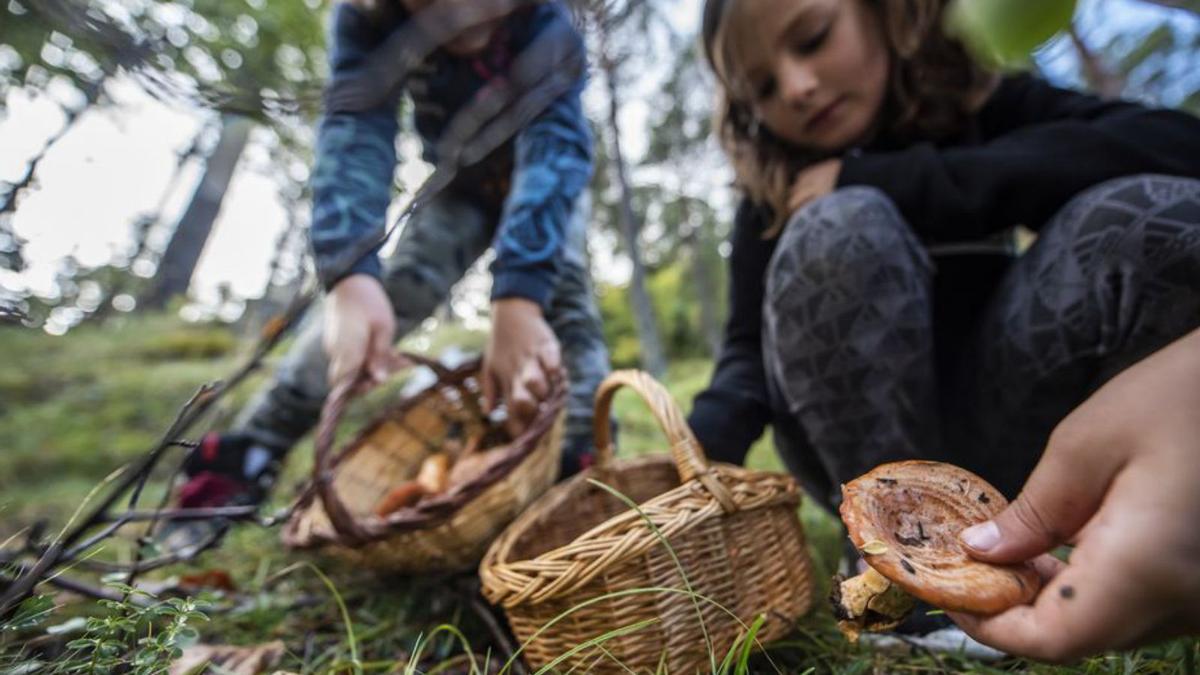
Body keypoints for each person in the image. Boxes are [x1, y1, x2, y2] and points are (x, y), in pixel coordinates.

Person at [695, 0, 1200, 661]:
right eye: (760, 87)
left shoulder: (983, 106)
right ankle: (896, 579)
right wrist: (692, 458)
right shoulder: (778, 190)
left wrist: (891, 179)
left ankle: (1063, 516)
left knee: (1142, 216)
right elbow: (743, 358)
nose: (796, 86)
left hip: (1009, 428)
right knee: (837, 228)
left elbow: (1177, 149)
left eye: (813, 38)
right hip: (856, 458)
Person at [174, 0, 609, 520]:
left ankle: (577, 459)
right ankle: (248, 454)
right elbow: (356, 131)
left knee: (566, 307)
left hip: (546, 186)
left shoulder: (546, 19)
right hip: (459, 186)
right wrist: (349, 274)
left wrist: (519, 290)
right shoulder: (367, 21)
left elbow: (556, 142)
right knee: (395, 288)